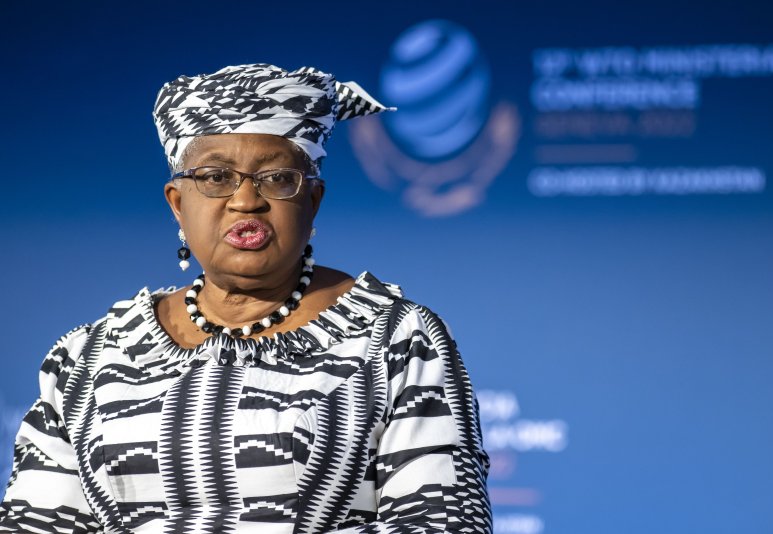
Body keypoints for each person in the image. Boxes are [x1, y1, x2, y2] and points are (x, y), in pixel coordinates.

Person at [0, 63, 492, 534]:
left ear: (312, 199)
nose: (245, 200)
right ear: (177, 203)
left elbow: (446, 523)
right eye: (215, 177)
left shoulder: (394, 340)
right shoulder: (89, 358)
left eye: (277, 178)